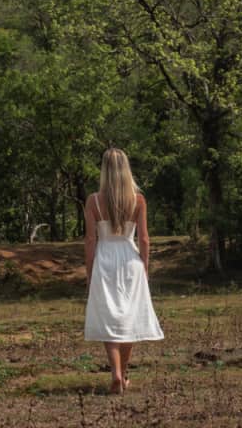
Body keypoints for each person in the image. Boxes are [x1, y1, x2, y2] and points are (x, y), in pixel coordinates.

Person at [84, 147, 164, 394]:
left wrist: (89, 272)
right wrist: (145, 268)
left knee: (109, 316)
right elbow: (145, 239)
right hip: (130, 260)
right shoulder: (138, 200)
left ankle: (116, 374)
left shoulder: (93, 200)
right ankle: (123, 373)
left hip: (105, 259)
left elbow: (90, 240)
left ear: (105, 170)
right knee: (128, 316)